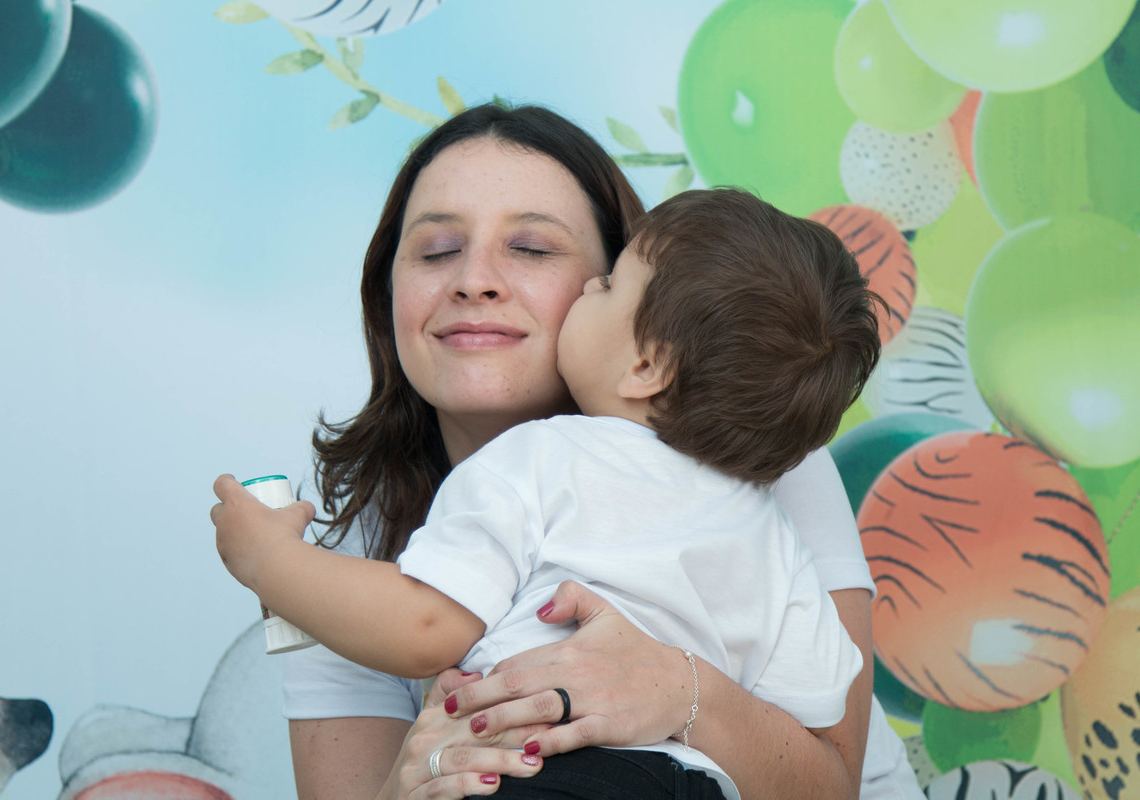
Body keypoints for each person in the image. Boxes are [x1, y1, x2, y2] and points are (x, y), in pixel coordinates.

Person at [220, 103, 921, 800]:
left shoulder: (769, 467)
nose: (473, 279)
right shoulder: (350, 559)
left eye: (532, 249)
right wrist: (406, 788)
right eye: (436, 251)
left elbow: (829, 783)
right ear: (387, 294)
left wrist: (682, 692)